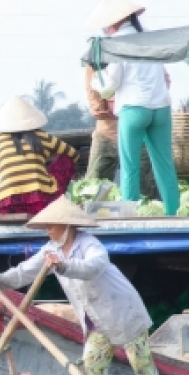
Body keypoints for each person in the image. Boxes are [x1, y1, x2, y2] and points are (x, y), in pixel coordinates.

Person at [0, 196, 171, 375]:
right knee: (92, 374)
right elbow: (23, 273)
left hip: (123, 313)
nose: (48, 232)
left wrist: (63, 266)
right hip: (96, 324)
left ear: (67, 226)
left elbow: (93, 267)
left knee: (143, 367)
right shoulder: (50, 250)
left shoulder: (90, 245)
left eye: (51, 226)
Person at [86, 0, 179, 215]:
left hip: (134, 109)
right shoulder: (149, 35)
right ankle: (174, 213)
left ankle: (131, 213)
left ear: (115, 22)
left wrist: (94, 82)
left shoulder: (118, 41)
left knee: (129, 167)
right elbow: (164, 75)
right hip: (161, 108)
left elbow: (111, 85)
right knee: (165, 165)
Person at [0, 95, 79, 215]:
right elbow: (73, 155)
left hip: (6, 206)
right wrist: (48, 171)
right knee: (66, 160)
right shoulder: (43, 136)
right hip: (44, 202)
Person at [83, 63, 159, 199]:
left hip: (138, 132)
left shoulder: (144, 58)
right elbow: (96, 102)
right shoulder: (99, 57)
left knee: (146, 191)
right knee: (93, 189)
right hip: (107, 131)